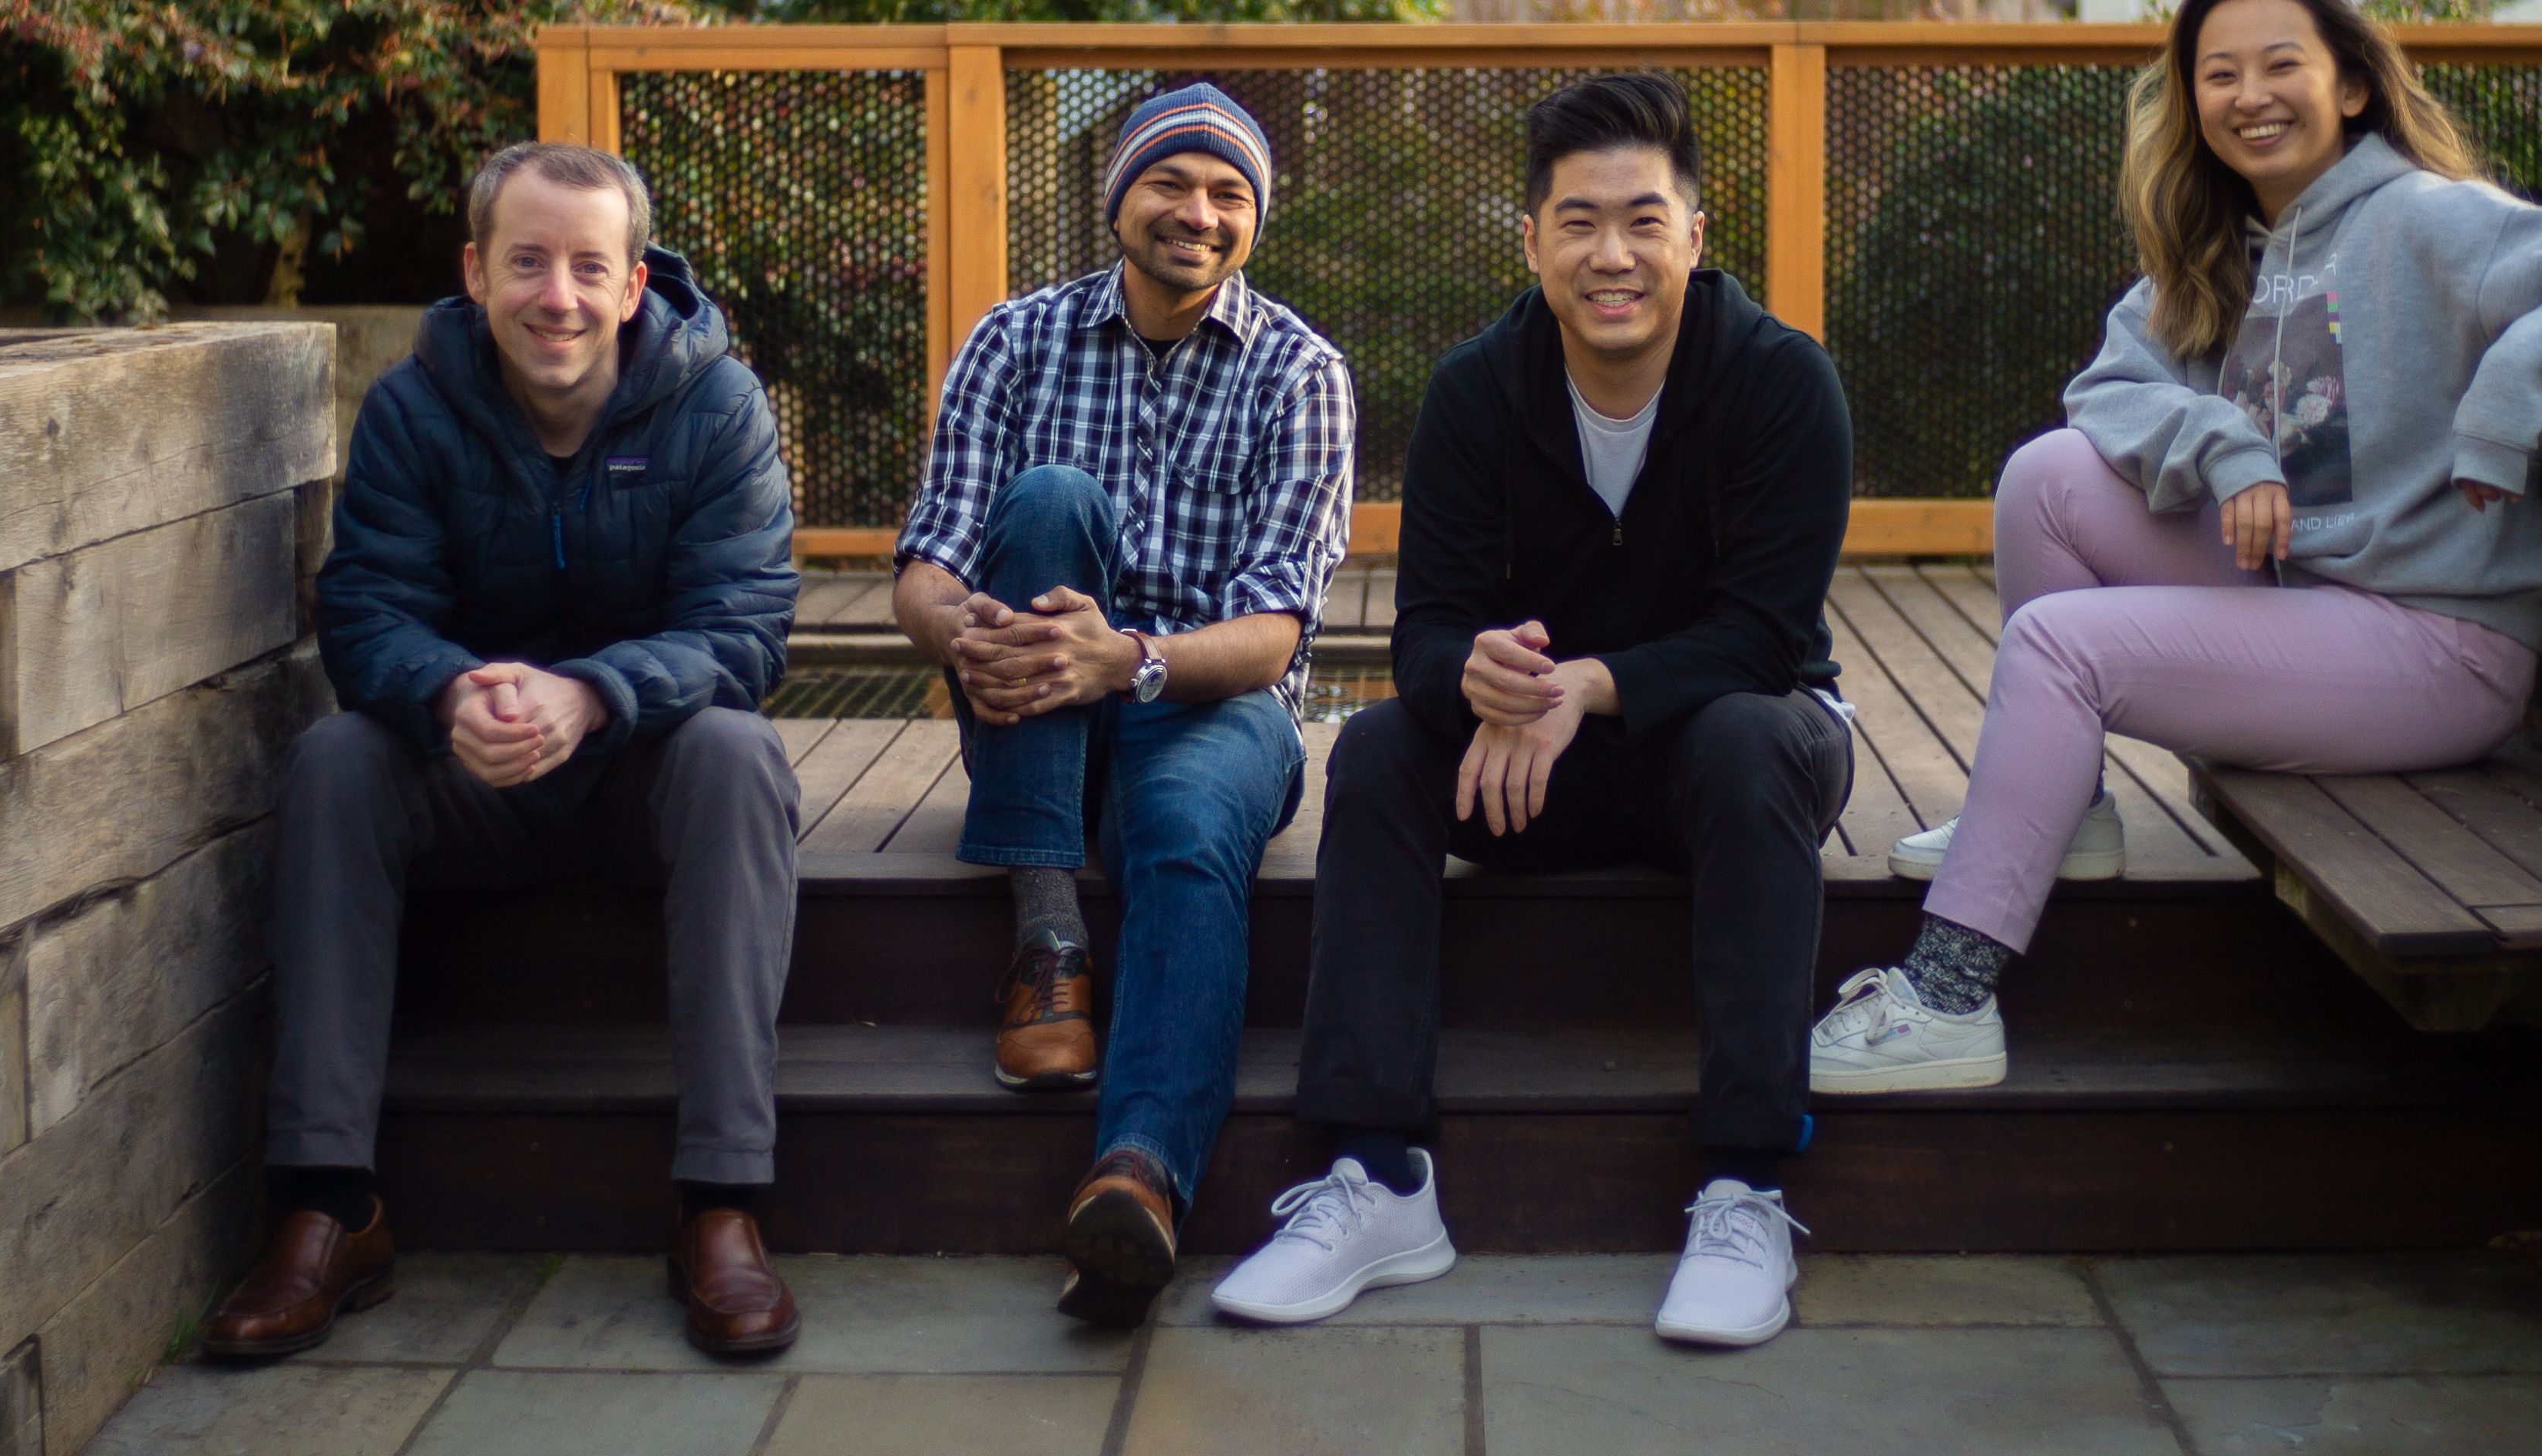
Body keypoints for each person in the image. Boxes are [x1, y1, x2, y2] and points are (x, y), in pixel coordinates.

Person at [1810, 0, 2542, 1094]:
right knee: (2046, 474)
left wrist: (2502, 403)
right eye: (2218, 73)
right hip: (2305, 591)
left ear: (2351, 84)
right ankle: (2068, 809)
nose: (2250, 95)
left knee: (2060, 644)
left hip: (2435, 639)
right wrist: (2223, 445)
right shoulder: (2220, 247)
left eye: (2282, 64)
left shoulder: (2430, 220)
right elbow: (2108, 391)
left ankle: (1948, 991)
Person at [1221, 74, 1856, 1350]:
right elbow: (1422, 635)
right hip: (1533, 774)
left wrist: (1590, 687)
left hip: (1734, 756)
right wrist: (1483, 677)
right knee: (1390, 747)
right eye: (1577, 221)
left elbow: (1768, 634)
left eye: (1641, 218)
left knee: (1746, 733)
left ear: (1694, 228)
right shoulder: (1475, 389)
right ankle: (1379, 1175)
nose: (1609, 255)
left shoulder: (1783, 381)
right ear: (1531, 238)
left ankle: (1744, 1186)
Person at [203, 142, 804, 1360]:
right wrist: (443, 693)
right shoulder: (417, 404)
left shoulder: (716, 403)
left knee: (741, 756)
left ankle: (721, 1203)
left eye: (590, 266)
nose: (558, 295)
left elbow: (745, 630)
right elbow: (366, 606)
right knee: (332, 764)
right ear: (476, 272)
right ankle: (326, 1206)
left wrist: (592, 692)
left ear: (636, 284)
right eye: (527, 261)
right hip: (468, 780)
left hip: (646, 776)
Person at [891, 81, 1355, 1327]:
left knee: (1194, 831)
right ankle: (1048, 937)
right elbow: (927, 566)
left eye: (1228, 194)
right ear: (1119, 199)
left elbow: (1270, 636)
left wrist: (1129, 659)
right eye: (1170, 183)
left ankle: (1138, 1174)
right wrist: (972, 629)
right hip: (1038, 695)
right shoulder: (1013, 339)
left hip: (1209, 700)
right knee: (1047, 501)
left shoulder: (1302, 372)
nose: (1197, 213)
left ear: (1254, 218)